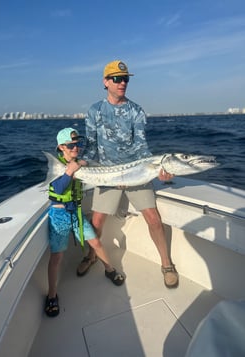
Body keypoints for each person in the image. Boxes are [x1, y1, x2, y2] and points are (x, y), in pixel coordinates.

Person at [77, 60, 179, 288]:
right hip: (107, 174)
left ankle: (166, 263)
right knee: (97, 220)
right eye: (117, 78)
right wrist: (79, 163)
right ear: (105, 82)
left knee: (153, 218)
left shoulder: (136, 110)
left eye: (125, 79)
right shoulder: (94, 111)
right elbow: (91, 146)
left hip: (136, 172)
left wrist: (159, 170)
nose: (122, 83)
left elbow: (142, 147)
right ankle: (92, 255)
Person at [45, 127, 125, 318]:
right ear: (61, 147)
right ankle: (52, 295)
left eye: (77, 144)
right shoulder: (59, 166)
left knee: (96, 242)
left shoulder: (80, 164)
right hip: (59, 216)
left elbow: (96, 179)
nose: (75, 148)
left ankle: (109, 269)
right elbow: (57, 188)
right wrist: (69, 172)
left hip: (77, 214)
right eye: (71, 145)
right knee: (57, 257)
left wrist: (116, 182)